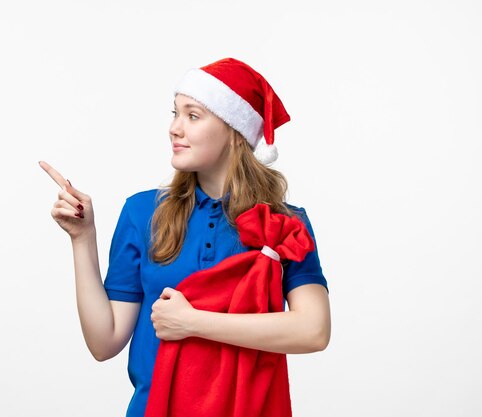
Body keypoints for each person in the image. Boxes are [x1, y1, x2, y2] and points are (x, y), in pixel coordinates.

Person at [39, 57, 331, 417]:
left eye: (193, 115)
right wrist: (82, 239)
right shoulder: (142, 212)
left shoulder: (284, 223)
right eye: (174, 113)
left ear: (234, 131)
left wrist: (193, 323)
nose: (175, 128)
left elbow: (314, 329)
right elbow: (104, 341)